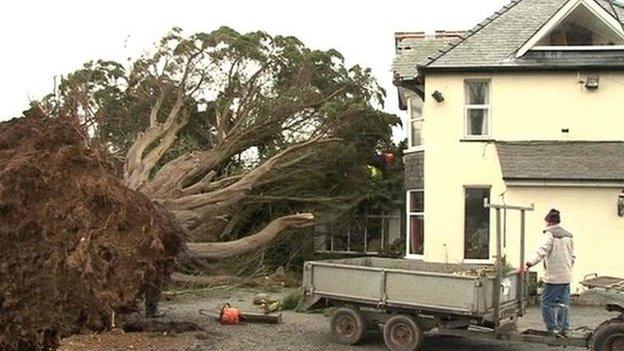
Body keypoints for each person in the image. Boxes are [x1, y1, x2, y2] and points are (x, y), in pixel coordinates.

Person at [525, 209, 575, 337]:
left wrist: (528, 264)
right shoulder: (568, 236)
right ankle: (564, 328)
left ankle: (553, 329)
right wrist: (568, 269)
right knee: (563, 303)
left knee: (547, 303)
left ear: (548, 221)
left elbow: (541, 251)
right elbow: (572, 256)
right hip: (566, 275)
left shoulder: (550, 235)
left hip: (554, 277)